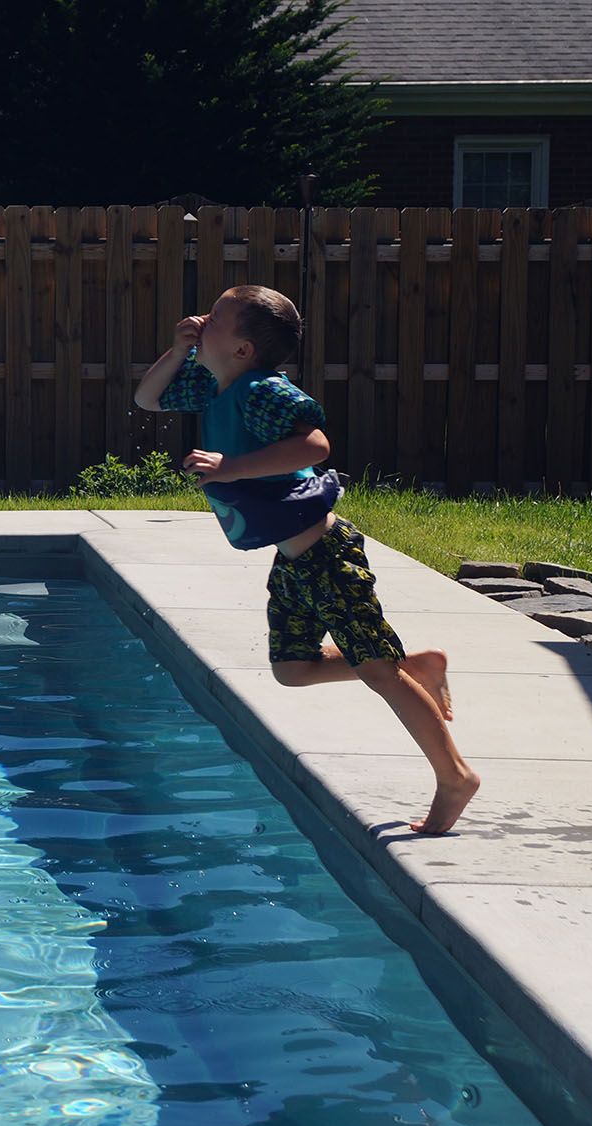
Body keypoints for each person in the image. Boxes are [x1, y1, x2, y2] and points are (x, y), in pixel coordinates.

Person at [133, 285, 480, 834]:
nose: (201, 320)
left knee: (377, 672)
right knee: (293, 670)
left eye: (216, 318)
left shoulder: (262, 391)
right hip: (295, 563)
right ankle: (422, 664)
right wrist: (177, 351)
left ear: (243, 349)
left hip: (328, 556)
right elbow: (149, 399)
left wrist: (230, 469)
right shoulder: (211, 383)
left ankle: (454, 776)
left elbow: (316, 447)